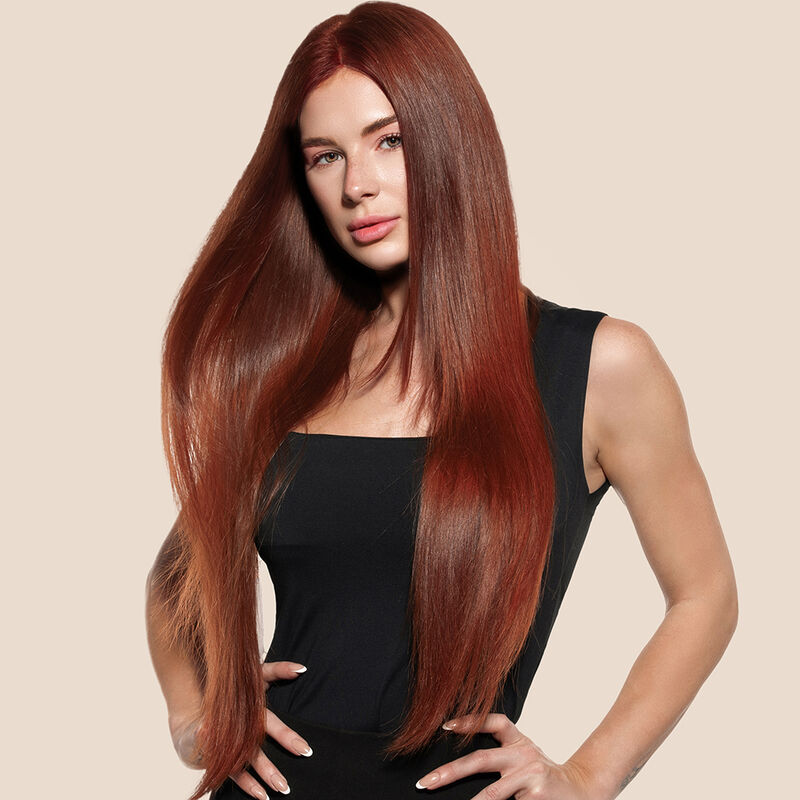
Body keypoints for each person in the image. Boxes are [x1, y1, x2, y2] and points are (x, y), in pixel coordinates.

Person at [145, 3, 738, 799]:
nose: (358, 185)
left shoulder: (598, 366)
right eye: (325, 156)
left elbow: (705, 596)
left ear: (451, 136)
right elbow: (175, 578)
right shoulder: (289, 375)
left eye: (389, 140)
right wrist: (196, 720)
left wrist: (587, 777)